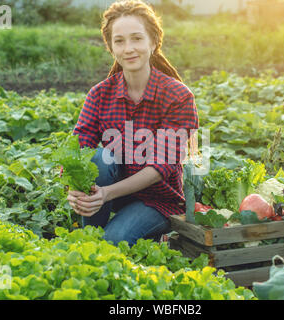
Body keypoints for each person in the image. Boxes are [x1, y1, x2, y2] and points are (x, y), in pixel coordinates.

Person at [66, 0, 199, 246]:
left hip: (157, 200)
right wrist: (74, 192)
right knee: (96, 158)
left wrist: (105, 194)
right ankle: (90, 239)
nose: (129, 48)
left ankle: (114, 238)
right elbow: (77, 150)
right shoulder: (99, 94)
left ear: (153, 42)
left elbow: (160, 167)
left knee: (114, 240)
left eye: (137, 39)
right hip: (111, 195)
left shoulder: (178, 97)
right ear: (110, 47)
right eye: (119, 41)